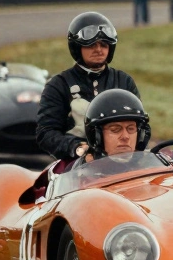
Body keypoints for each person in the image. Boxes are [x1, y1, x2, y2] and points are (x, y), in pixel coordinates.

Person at [35, 12, 140, 163]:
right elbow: (46, 133)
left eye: (104, 45)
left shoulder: (124, 81)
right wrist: (77, 148)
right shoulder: (58, 85)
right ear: (77, 47)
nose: (99, 50)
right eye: (91, 45)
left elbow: (141, 125)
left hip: (123, 160)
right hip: (75, 163)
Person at [73, 89, 152, 166]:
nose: (125, 137)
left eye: (131, 129)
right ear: (96, 137)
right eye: (115, 129)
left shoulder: (151, 167)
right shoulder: (81, 172)